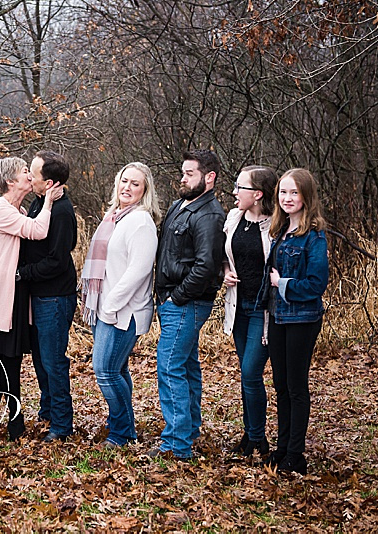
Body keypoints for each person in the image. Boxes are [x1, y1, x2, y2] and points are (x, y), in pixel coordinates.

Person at [0, 156, 62, 441]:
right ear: (10, 181)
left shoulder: (18, 209)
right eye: (24, 172)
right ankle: (12, 423)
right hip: (3, 295)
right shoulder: (0, 210)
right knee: (6, 362)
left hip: (16, 295)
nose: (29, 175)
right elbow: (38, 231)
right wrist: (48, 202)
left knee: (6, 362)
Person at [150, 149, 226, 460]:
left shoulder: (209, 215)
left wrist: (175, 298)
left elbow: (206, 266)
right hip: (174, 300)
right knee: (187, 366)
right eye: (182, 172)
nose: (182, 178)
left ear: (210, 178)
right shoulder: (180, 205)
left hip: (186, 302)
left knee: (169, 368)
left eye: (190, 173)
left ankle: (176, 445)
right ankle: (189, 430)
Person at [82, 162, 161, 448]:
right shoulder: (114, 216)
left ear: (145, 190)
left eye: (135, 184)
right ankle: (122, 427)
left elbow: (139, 271)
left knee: (105, 371)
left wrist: (111, 304)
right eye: (124, 181)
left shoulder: (141, 221)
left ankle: (122, 432)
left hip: (122, 311)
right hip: (104, 307)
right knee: (117, 370)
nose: (127, 187)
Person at [256, 168, 329, 475]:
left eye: (294, 192)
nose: (287, 198)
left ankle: (296, 455)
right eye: (283, 192)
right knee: (281, 386)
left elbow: (316, 284)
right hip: (278, 318)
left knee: (296, 387)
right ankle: (283, 447)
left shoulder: (314, 236)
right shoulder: (280, 231)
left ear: (306, 196)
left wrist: (282, 283)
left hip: (302, 318)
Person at [18, 150, 78, 442]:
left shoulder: (63, 211)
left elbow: (56, 260)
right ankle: (48, 410)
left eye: (34, 173)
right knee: (41, 358)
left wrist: (24, 274)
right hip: (39, 296)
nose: (29, 176)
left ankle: (62, 425)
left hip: (55, 297)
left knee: (54, 361)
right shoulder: (40, 202)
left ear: (50, 182)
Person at [222, 165, 278, 457]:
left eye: (240, 187)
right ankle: (250, 435)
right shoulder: (234, 219)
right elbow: (224, 254)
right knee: (247, 376)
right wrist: (225, 271)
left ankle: (258, 438)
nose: (234, 191)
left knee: (250, 373)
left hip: (262, 310)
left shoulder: (276, 224)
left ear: (257, 194)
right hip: (238, 307)